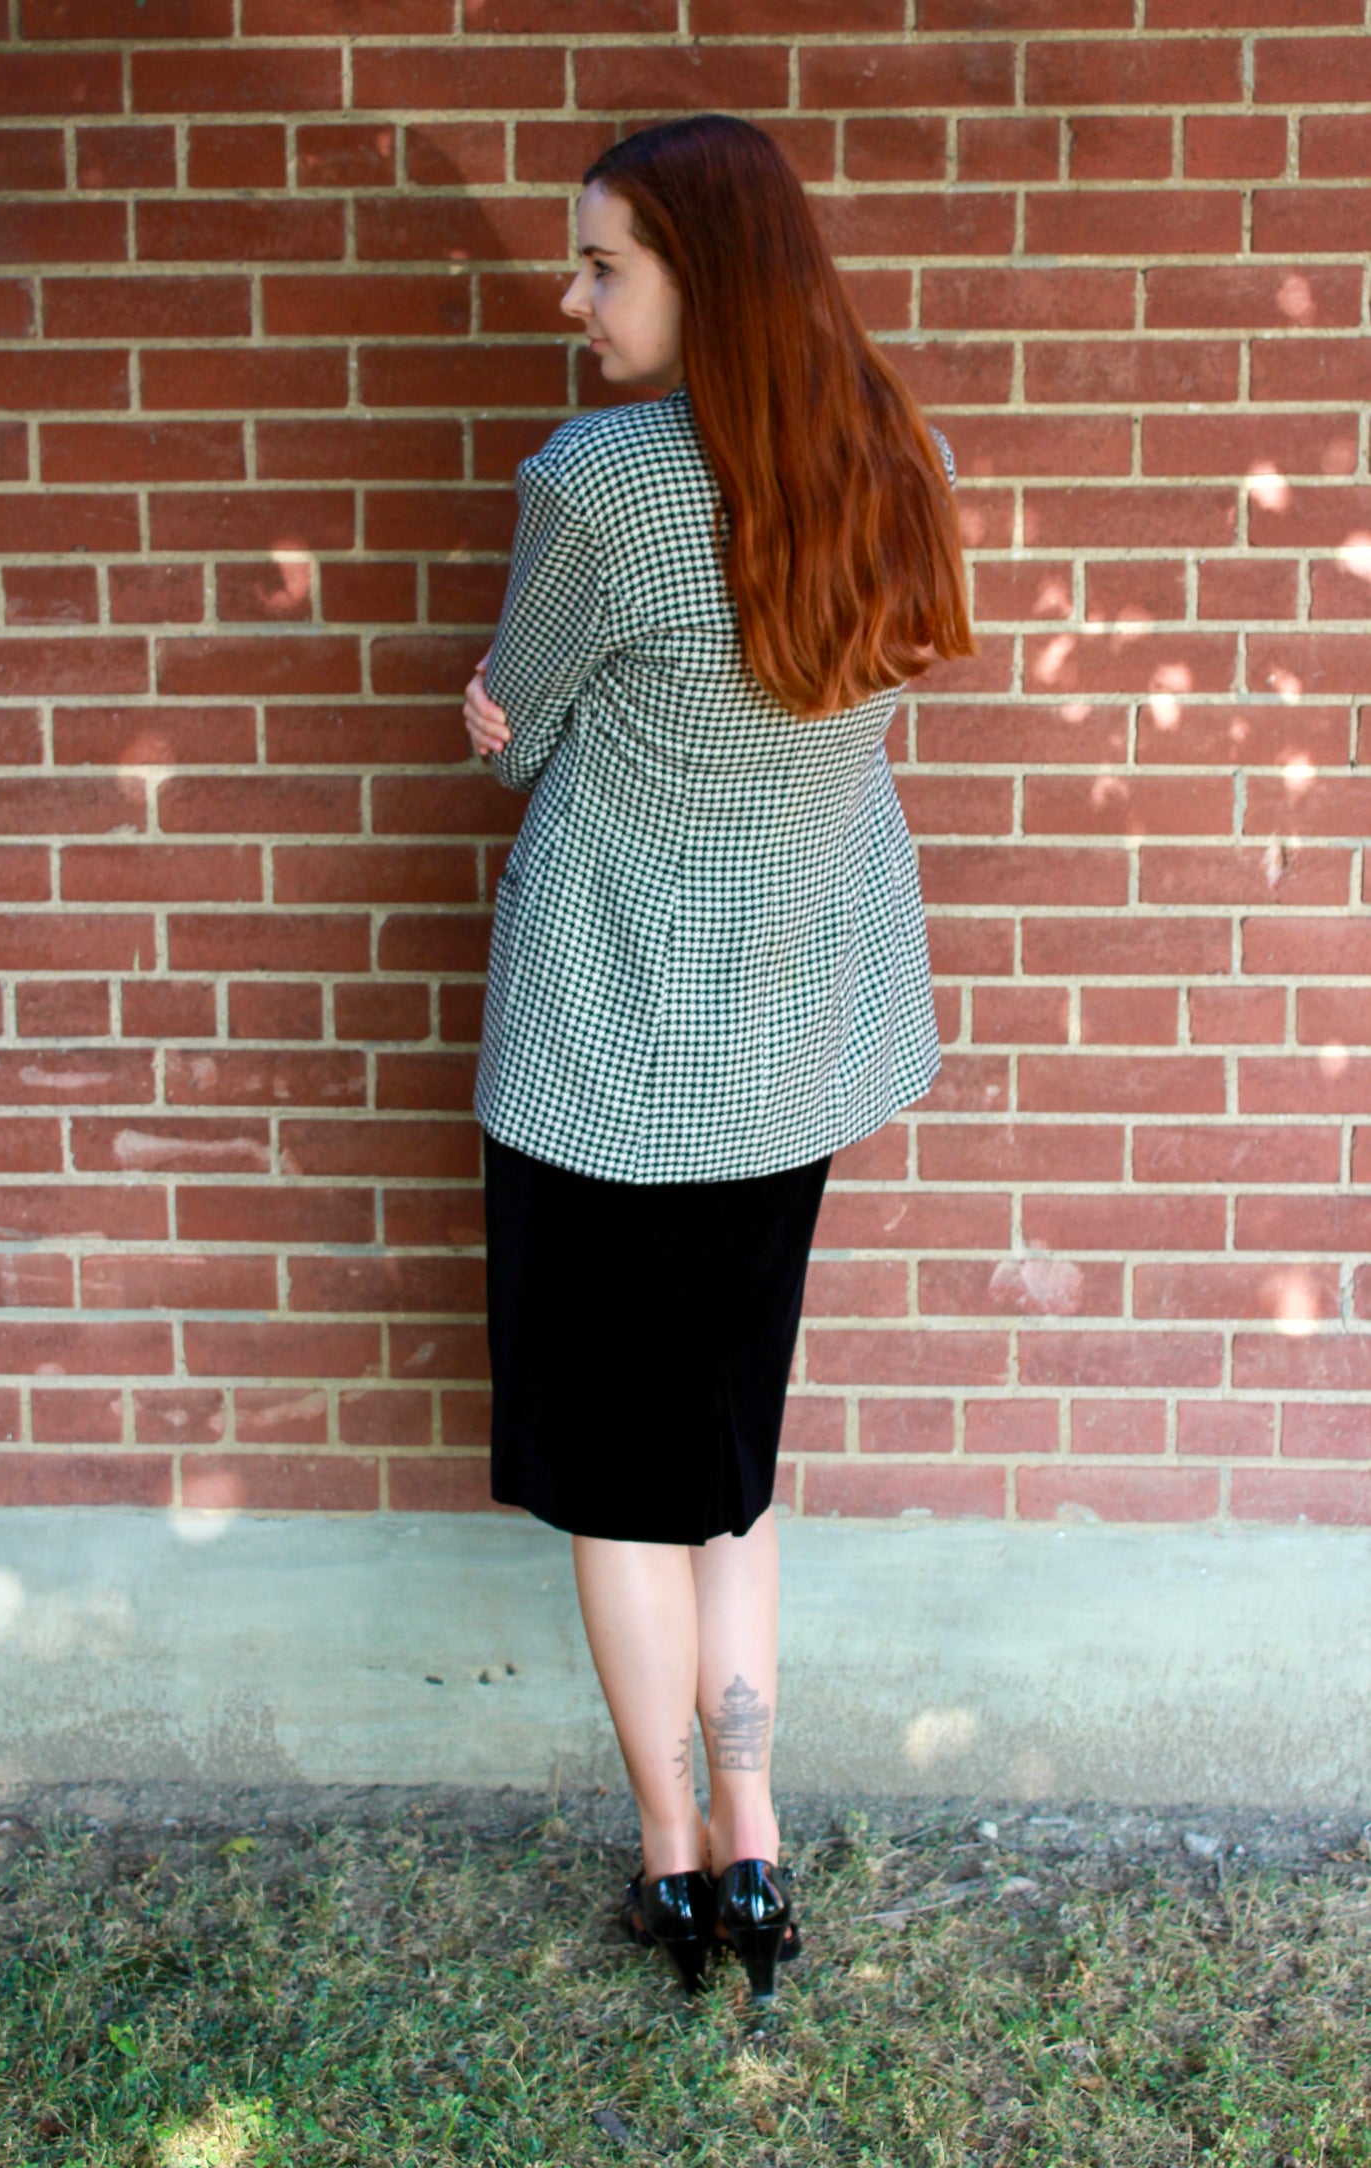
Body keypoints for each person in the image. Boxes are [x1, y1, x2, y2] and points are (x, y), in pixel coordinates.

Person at [460, 113, 973, 2003]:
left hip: (607, 1052)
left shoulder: (603, 480)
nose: (570, 294)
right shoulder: (883, 460)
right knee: (731, 1464)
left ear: (704, 271)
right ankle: (758, 1851)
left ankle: (675, 1864)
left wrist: (500, 715)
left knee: (622, 1486)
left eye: (603, 262)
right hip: (784, 1054)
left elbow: (520, 726)